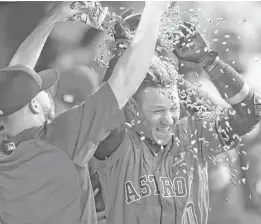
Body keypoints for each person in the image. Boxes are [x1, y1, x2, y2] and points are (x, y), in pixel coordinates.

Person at [0, 1, 169, 224]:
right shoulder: (60, 139)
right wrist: (154, 12)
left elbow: (14, 82)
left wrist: (52, 19)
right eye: (43, 90)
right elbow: (126, 80)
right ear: (34, 105)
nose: (48, 92)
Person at [92, 20, 261, 224]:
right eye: (157, 111)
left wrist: (207, 61)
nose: (168, 120)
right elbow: (106, 107)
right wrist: (125, 52)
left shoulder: (193, 136)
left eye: (173, 109)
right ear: (132, 108)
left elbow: (251, 112)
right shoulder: (116, 147)